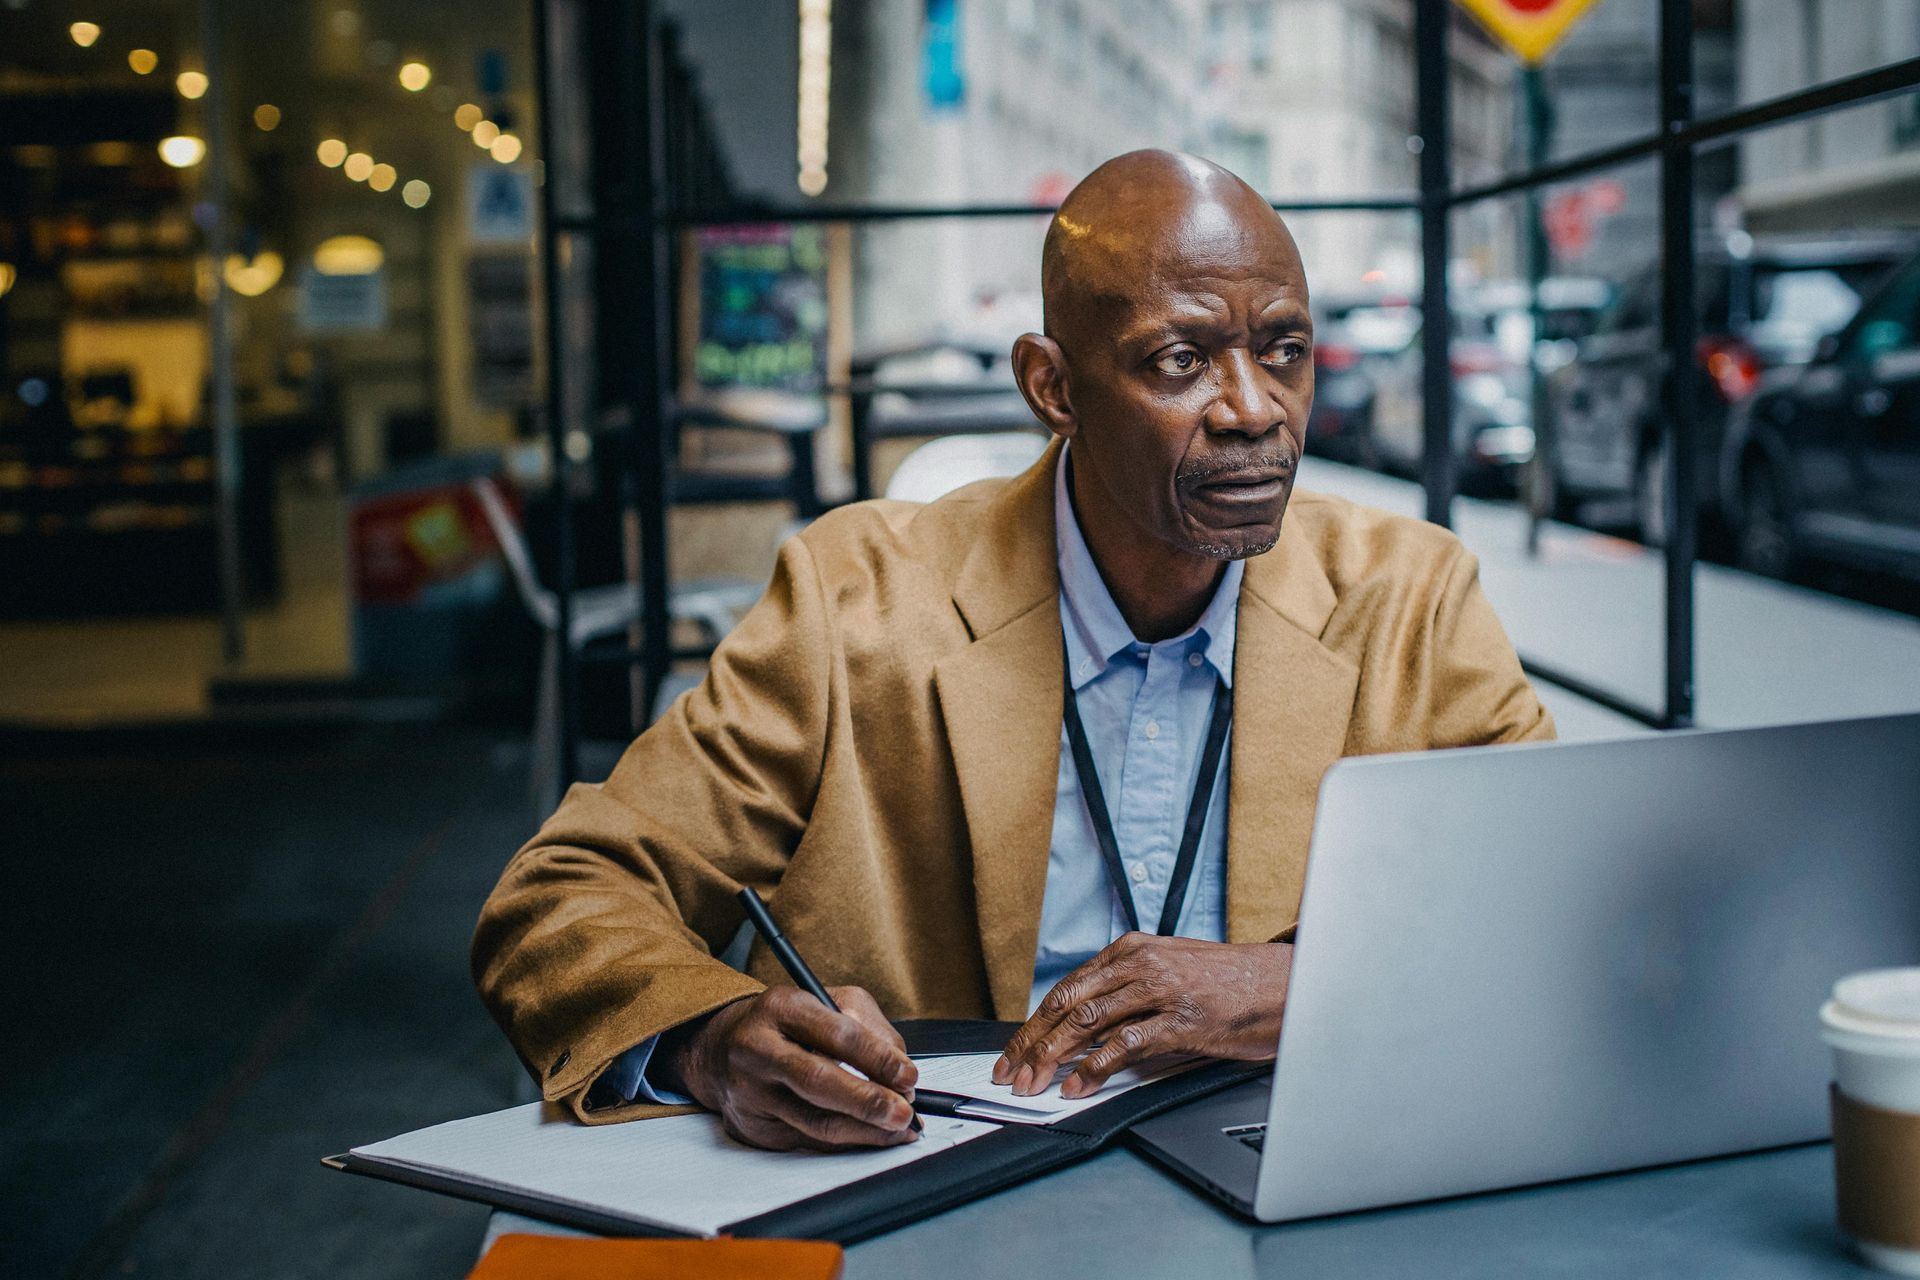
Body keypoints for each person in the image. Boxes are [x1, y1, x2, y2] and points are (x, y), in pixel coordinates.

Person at [472, 150, 1554, 1152]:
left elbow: (1554, 905)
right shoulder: (856, 601)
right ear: (1053, 386)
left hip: (1290, 1159)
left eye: (1284, 352)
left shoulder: (1410, 596)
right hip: (935, 1172)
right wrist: (711, 1040)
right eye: (1181, 359)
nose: (1254, 410)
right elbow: (564, 894)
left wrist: (1303, 985)